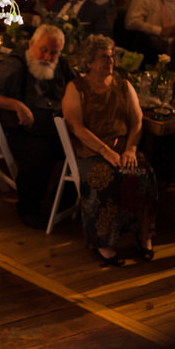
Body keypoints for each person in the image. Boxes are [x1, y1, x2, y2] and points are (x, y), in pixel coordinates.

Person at [61, 34, 156, 265]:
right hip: (92, 150)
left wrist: (131, 149)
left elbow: (137, 121)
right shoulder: (77, 87)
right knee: (106, 179)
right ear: (89, 62)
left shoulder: (123, 85)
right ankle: (102, 242)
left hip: (123, 149)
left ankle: (144, 236)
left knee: (146, 176)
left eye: (111, 57)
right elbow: (76, 126)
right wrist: (105, 151)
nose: (110, 62)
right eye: (104, 58)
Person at [0, 24, 74, 228]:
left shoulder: (61, 65)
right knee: (41, 155)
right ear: (32, 44)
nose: (47, 57)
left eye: (53, 53)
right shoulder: (16, 64)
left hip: (53, 127)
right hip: (22, 130)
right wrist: (16, 104)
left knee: (80, 150)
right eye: (43, 50)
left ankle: (59, 202)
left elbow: (78, 87)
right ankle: (28, 208)